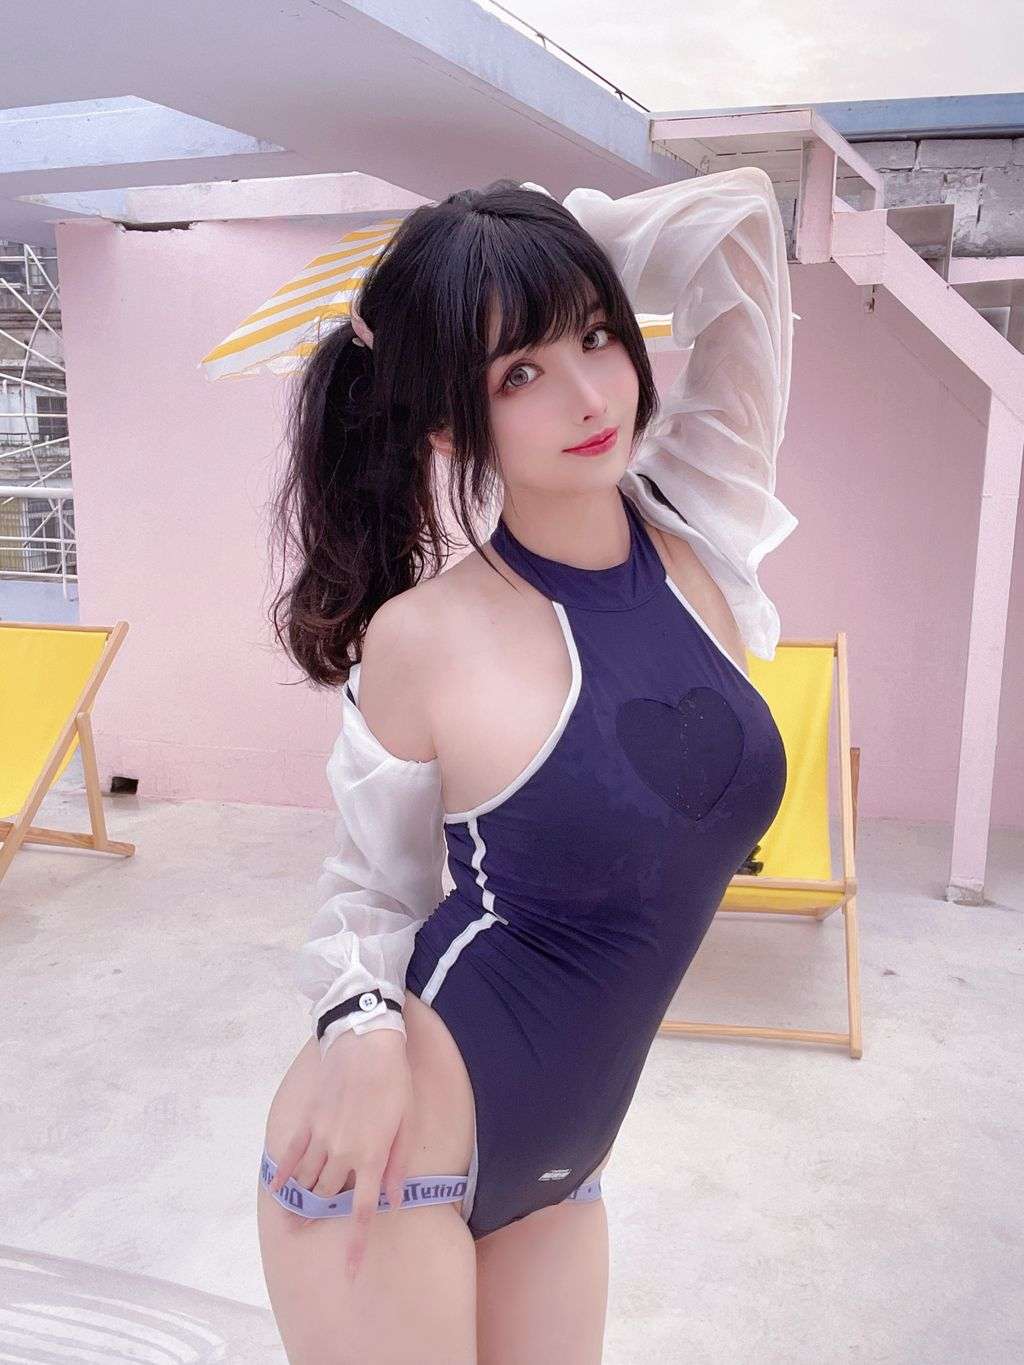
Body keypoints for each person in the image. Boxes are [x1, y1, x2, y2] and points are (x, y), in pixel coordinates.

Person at [256, 167, 797, 1363]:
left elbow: (744, 223)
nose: (589, 395)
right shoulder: (424, 637)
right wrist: (357, 1033)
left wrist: (533, 247)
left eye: (596, 336)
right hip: (393, 1151)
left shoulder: (699, 527)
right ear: (450, 424)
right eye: (517, 374)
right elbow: (370, 892)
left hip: (567, 1163)